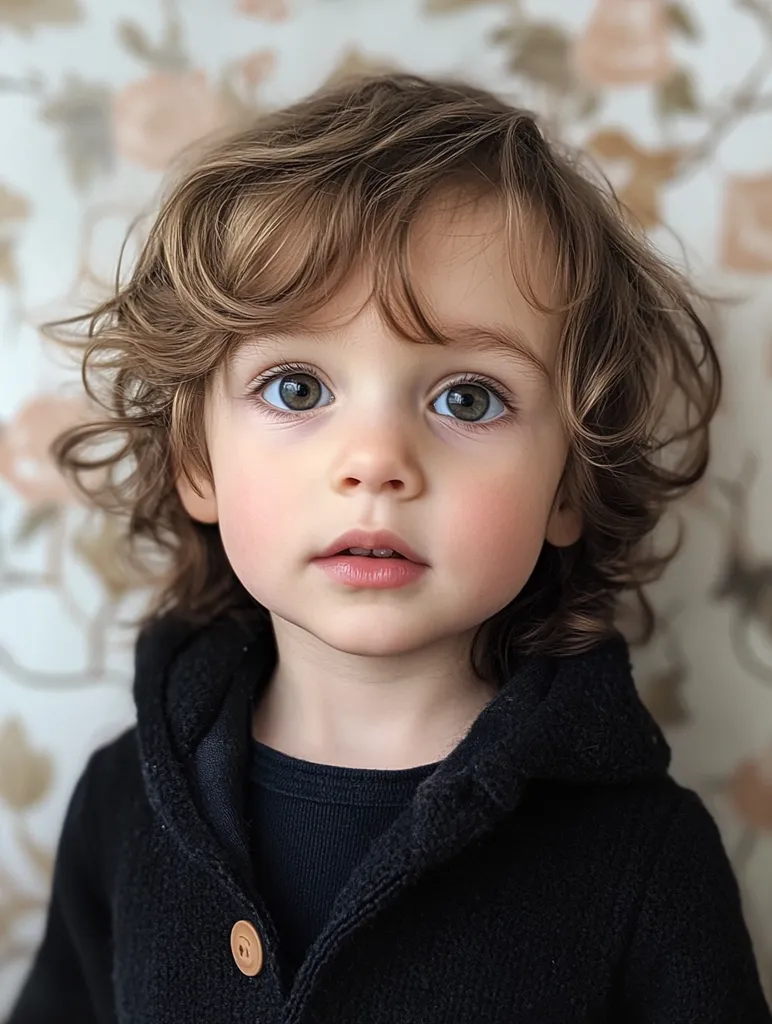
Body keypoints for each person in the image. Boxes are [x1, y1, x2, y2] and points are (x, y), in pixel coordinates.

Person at [9, 73, 771, 1024]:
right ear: (196, 460)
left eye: (467, 398)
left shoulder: (644, 856)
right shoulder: (121, 804)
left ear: (569, 486)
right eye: (296, 389)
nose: (375, 462)